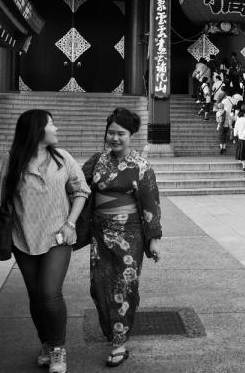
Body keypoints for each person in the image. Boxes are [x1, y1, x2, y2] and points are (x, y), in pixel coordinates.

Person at [0, 110, 90, 373]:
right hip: (23, 238)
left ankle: (58, 349)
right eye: (52, 124)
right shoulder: (10, 161)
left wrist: (70, 223)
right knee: (35, 296)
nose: (56, 128)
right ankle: (46, 343)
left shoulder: (63, 159)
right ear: (37, 130)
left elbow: (81, 191)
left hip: (58, 237)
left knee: (50, 294)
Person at [82, 108, 163, 367]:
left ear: (131, 135)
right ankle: (112, 330)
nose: (115, 138)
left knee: (124, 285)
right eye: (111, 133)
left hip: (131, 234)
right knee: (99, 285)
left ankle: (119, 341)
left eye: (121, 134)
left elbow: (151, 202)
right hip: (100, 233)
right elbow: (77, 187)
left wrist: (154, 239)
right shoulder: (96, 161)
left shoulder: (141, 166)